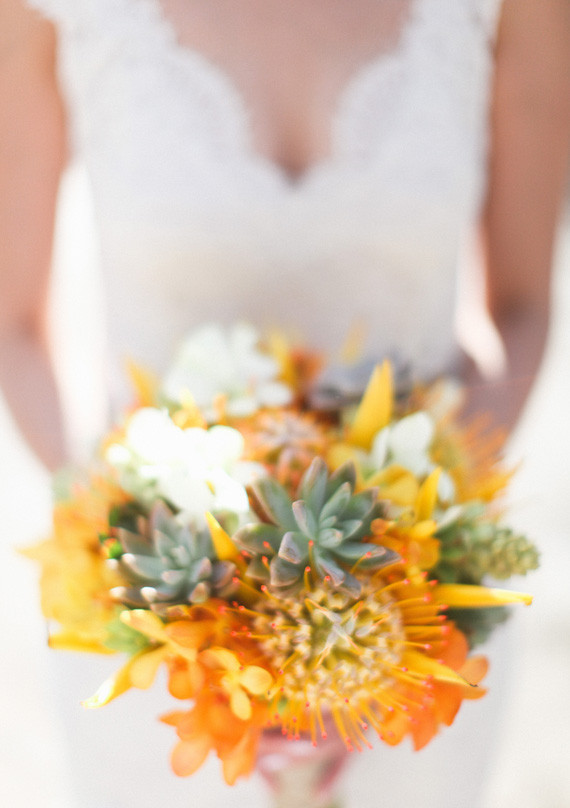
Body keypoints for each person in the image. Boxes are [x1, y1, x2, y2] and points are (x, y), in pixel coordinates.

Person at [0, 1, 569, 806]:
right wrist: (136, 530)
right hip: (151, 621)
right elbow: (14, 329)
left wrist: (408, 546)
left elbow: (521, 309)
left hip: (419, 623)